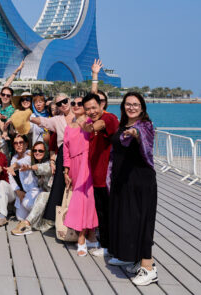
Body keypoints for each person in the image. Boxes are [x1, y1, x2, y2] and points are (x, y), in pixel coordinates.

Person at [107, 93, 158, 286]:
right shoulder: (122, 126)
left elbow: (139, 134)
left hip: (141, 183)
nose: (132, 107)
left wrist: (134, 133)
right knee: (128, 221)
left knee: (142, 222)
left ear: (142, 108)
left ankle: (149, 267)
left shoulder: (145, 126)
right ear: (123, 107)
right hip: (124, 182)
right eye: (128, 104)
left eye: (136, 104)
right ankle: (135, 259)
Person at [80, 92, 119, 257]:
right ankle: (107, 246)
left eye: (94, 107)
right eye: (88, 109)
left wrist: (87, 126)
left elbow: (101, 124)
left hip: (109, 178)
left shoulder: (109, 118)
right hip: (97, 177)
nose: (91, 111)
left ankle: (115, 248)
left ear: (101, 105)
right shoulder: (91, 121)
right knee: (102, 213)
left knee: (111, 213)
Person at [32, 93, 75, 224]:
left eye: (65, 101)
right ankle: (58, 220)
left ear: (69, 100)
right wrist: (29, 118)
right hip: (62, 152)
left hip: (78, 153)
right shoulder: (57, 119)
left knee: (76, 185)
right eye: (59, 103)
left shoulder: (78, 115)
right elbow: (43, 121)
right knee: (60, 185)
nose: (63, 104)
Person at [63, 100, 99, 257]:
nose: (76, 105)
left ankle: (82, 237)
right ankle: (90, 234)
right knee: (83, 200)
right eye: (73, 103)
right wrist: (66, 171)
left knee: (85, 199)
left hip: (87, 162)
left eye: (79, 103)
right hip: (74, 165)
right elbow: (65, 150)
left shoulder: (90, 122)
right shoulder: (68, 127)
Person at [9, 134, 42, 235]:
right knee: (20, 216)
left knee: (28, 204)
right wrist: (18, 191)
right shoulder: (14, 158)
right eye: (16, 143)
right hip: (23, 192)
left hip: (34, 190)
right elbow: (11, 177)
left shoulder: (30, 155)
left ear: (26, 144)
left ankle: (39, 220)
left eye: (21, 142)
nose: (18, 145)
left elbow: (22, 163)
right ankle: (34, 219)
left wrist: (12, 167)